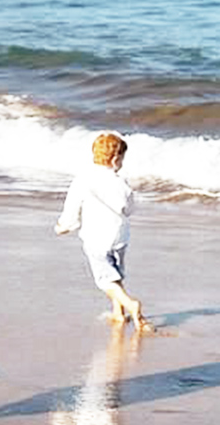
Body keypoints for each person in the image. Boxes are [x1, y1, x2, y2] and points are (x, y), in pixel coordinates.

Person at [55, 131, 150, 332]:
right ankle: (118, 312)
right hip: (120, 237)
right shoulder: (121, 183)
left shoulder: (83, 179)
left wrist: (65, 225)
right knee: (115, 273)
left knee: (104, 279)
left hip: (95, 238)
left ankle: (130, 304)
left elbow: (72, 205)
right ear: (115, 160)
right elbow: (129, 209)